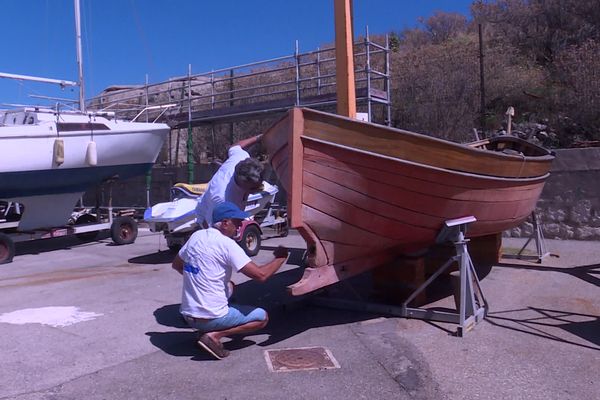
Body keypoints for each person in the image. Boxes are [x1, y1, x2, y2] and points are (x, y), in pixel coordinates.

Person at [172, 201, 289, 360]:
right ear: (225, 223)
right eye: (237, 222)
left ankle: (204, 326)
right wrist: (280, 258)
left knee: (230, 286)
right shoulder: (227, 244)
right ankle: (214, 335)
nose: (240, 226)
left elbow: (177, 265)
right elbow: (261, 275)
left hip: (188, 315)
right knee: (262, 317)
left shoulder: (196, 236)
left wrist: (197, 277)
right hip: (210, 318)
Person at [195, 134, 264, 228]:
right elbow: (216, 227)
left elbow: (234, 147)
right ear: (242, 183)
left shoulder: (241, 157)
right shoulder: (222, 198)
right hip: (207, 221)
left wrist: (258, 138)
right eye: (253, 188)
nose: (257, 189)